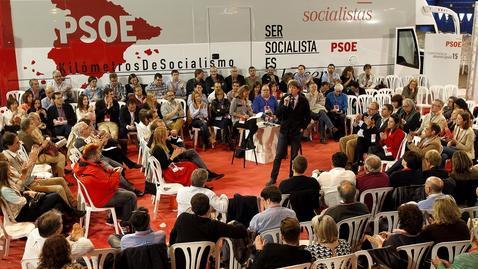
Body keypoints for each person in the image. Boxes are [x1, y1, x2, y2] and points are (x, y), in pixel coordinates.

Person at [0, 160, 84, 222]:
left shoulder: (8, 180)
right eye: (9, 169)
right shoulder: (4, 189)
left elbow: (19, 190)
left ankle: (64, 223)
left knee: (58, 204)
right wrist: (29, 195)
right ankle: (71, 213)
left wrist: (26, 192)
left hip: (27, 205)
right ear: (4, 172)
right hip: (22, 213)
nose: (10, 170)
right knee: (55, 196)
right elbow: (21, 201)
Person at [73, 144, 137, 222]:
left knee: (125, 192)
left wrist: (112, 171)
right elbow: (111, 185)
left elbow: (103, 175)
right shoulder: (93, 170)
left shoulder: (84, 164)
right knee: (131, 196)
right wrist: (117, 174)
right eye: (99, 153)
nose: (100, 154)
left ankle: (115, 219)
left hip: (95, 194)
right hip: (99, 199)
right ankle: (127, 224)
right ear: (93, 157)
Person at [267, 80, 311, 185]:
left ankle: (292, 177)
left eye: (294, 88)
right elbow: (278, 114)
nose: (291, 90)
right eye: (290, 87)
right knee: (278, 155)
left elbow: (308, 116)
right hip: (284, 130)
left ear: (298, 89)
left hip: (296, 131)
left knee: (294, 156)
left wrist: (303, 127)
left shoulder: (303, 100)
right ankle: (273, 177)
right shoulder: (284, 98)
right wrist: (284, 105)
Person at [170, 193, 247, 244]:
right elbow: (241, 232)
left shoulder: (183, 218)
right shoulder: (214, 225)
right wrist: (236, 224)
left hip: (179, 262)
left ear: (192, 209)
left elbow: (172, 237)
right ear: (209, 208)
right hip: (203, 263)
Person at [23, 210, 94, 260]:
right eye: (61, 223)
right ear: (57, 230)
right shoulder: (57, 246)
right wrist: (80, 237)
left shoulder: (34, 232)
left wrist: (71, 238)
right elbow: (89, 245)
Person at [279, 156, 321, 221]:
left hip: (291, 218)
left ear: (292, 167)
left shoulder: (284, 185)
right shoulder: (313, 182)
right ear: (305, 167)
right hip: (310, 215)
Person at [230, 85, 258, 149]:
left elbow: (249, 112)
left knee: (255, 125)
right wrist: (242, 116)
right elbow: (231, 112)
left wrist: (254, 115)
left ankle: (246, 141)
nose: (246, 94)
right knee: (254, 126)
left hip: (245, 120)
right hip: (237, 121)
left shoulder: (247, 101)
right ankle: (248, 141)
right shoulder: (235, 100)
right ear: (242, 92)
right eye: (246, 93)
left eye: (248, 93)